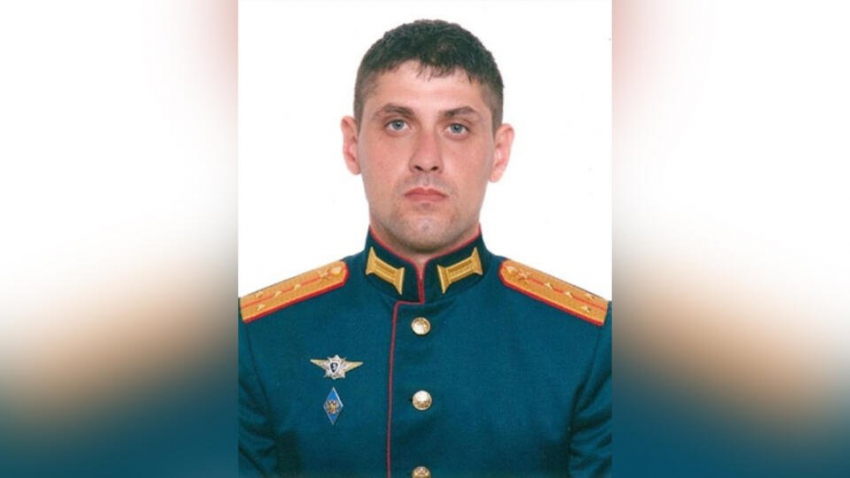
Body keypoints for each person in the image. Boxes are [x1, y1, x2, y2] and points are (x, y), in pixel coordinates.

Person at [239, 19, 611, 478]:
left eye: (457, 127)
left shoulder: (588, 345)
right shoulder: (260, 341)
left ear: (498, 152)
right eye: (397, 124)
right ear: (352, 146)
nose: (426, 158)